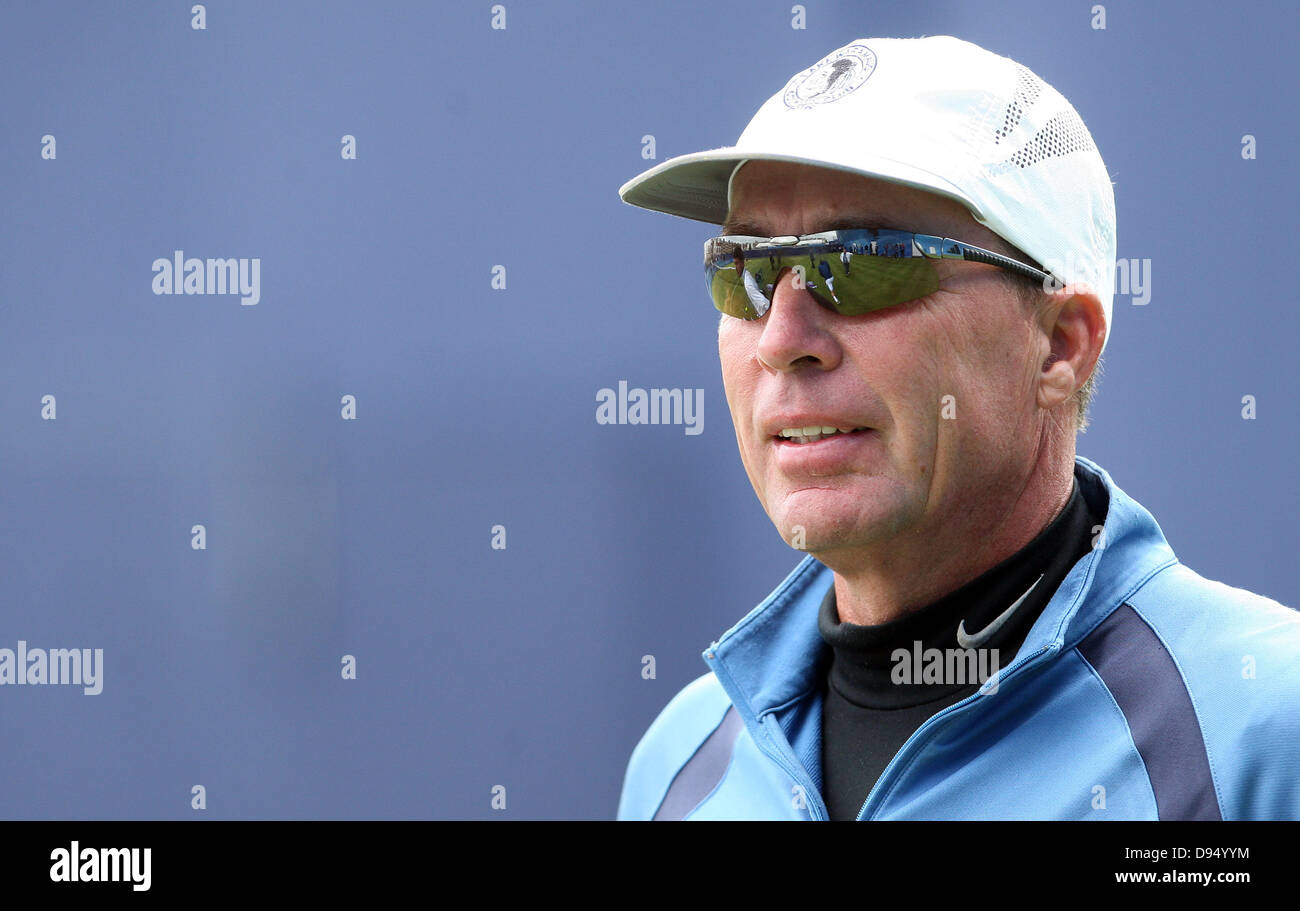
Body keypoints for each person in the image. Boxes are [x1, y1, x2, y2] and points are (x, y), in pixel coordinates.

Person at [613, 36, 1299, 821]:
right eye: (747, 269)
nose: (781, 338)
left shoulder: (1263, 730)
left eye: (866, 260)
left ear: (1060, 344)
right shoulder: (683, 762)